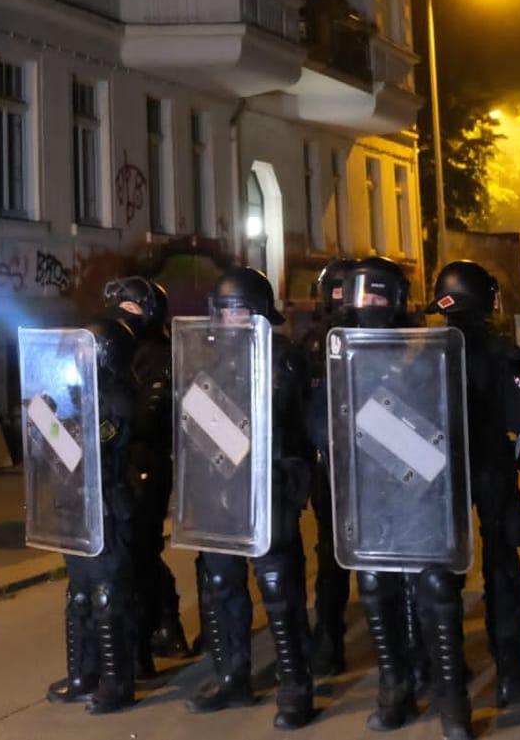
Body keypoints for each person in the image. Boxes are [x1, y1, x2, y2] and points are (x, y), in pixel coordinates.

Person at [318, 256, 475, 739]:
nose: (371, 306)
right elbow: (318, 425)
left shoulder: (424, 352)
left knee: (435, 591)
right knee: (373, 587)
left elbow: (446, 426)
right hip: (370, 498)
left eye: (380, 297)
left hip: (421, 494)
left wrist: (378, 426)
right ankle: (395, 688)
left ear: (398, 301)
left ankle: (451, 701)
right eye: (364, 296)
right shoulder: (335, 355)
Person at [185, 267, 317, 730]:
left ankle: (296, 688)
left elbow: (308, 429)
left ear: (259, 313)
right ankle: (233, 677)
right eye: (226, 311)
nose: (232, 319)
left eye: (241, 310)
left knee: (280, 593)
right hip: (221, 496)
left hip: (269, 493)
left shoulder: (285, 360)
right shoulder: (206, 362)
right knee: (222, 588)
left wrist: (294, 481)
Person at [426, 260, 520, 709]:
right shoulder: (502, 355)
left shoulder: (419, 352)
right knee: (502, 571)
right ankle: (510, 675)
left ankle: (446, 672)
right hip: (491, 470)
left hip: (434, 476)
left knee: (440, 579)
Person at [44, 278, 146, 714]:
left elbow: (83, 450)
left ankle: (115, 681)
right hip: (74, 505)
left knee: (108, 597)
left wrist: (48, 426)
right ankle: (83, 672)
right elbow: (59, 453)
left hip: (106, 505)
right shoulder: (77, 393)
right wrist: (41, 421)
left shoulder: (120, 401)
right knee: (81, 594)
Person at [103, 276, 190, 669]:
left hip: (146, 463)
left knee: (140, 551)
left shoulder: (155, 354)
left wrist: (117, 420)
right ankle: (154, 631)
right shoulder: (116, 349)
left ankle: (161, 628)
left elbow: (148, 415)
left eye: (133, 307)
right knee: (132, 552)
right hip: (121, 464)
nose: (125, 312)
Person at [300, 257, 356, 676]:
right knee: (331, 554)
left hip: (374, 465)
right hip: (328, 465)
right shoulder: (311, 345)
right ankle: (329, 638)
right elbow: (300, 409)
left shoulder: (383, 336)